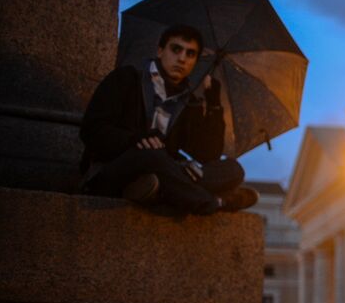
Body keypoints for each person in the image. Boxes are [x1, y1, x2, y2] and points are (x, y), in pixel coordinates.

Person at [79, 25, 257, 213]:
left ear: (195, 61)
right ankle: (214, 202)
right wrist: (135, 139)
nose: (182, 58)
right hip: (113, 170)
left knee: (232, 169)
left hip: (165, 172)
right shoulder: (126, 79)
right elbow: (91, 130)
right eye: (176, 49)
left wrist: (213, 105)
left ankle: (158, 192)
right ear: (160, 50)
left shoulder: (189, 103)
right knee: (151, 156)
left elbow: (207, 154)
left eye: (190, 54)